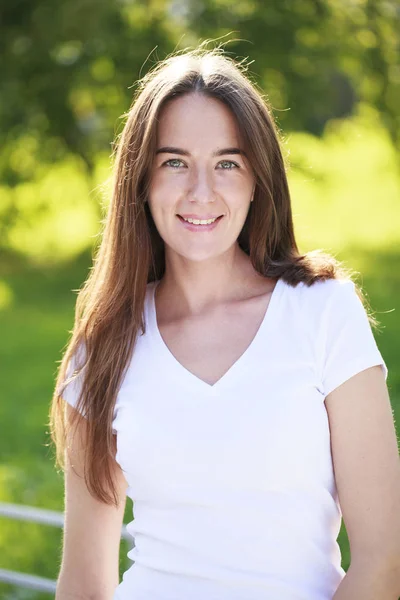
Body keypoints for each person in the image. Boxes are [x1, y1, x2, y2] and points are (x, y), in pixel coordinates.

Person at [50, 44, 400, 600]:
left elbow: (385, 561)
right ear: (140, 180)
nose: (201, 192)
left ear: (258, 177)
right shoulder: (107, 342)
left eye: (226, 163)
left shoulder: (322, 313)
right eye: (175, 162)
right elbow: (85, 585)